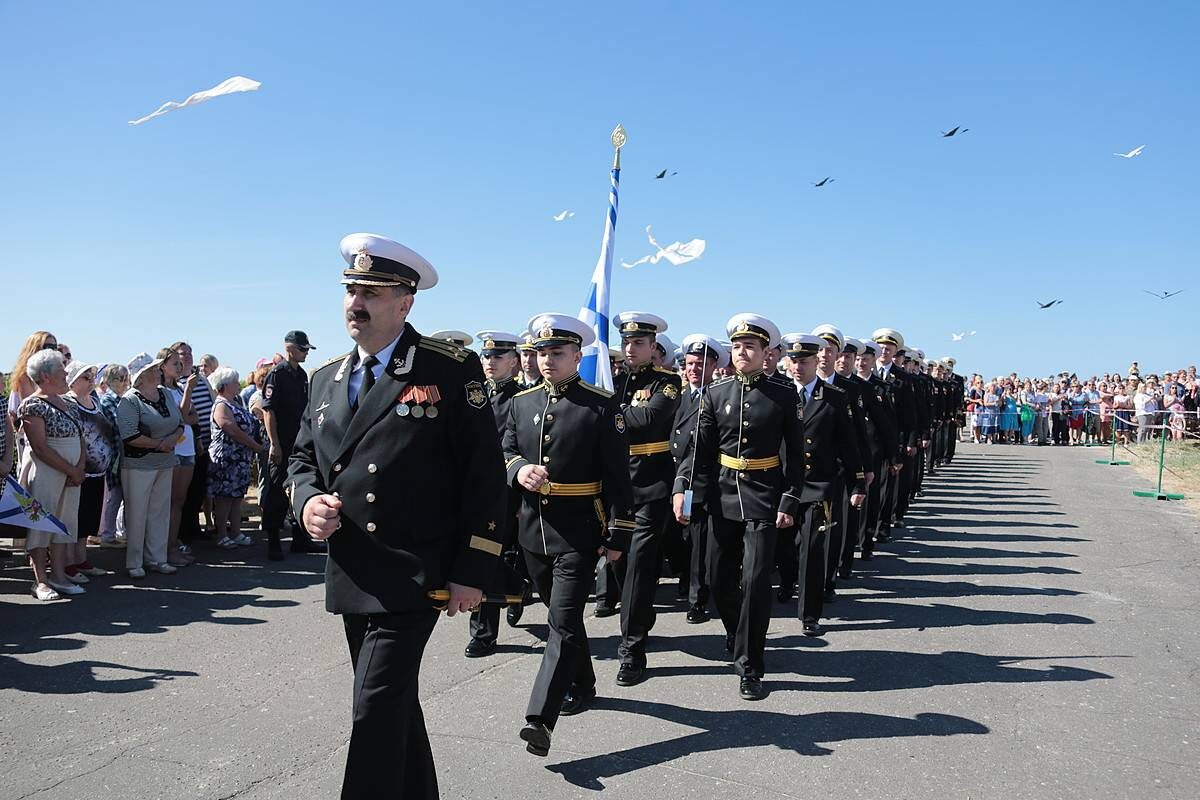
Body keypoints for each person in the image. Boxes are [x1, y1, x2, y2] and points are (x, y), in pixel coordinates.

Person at [288, 232, 506, 798]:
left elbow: (483, 477)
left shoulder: (449, 369)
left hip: (417, 570)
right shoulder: (325, 378)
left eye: (372, 292)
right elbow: (302, 459)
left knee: (373, 709)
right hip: (354, 568)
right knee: (393, 705)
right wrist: (307, 500)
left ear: (405, 303)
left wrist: (473, 570)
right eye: (351, 290)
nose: (356, 303)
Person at [502, 312, 635, 755]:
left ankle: (540, 718)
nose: (547, 361)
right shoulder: (521, 402)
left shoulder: (600, 405)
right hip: (533, 532)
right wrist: (519, 470)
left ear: (578, 356)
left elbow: (619, 475)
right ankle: (585, 681)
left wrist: (618, 533)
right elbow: (504, 449)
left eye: (557, 353)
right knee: (567, 619)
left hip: (579, 531)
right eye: (541, 353)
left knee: (560, 621)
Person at [673, 313, 806, 701]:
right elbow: (699, 452)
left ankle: (751, 664)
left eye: (751, 346)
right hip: (721, 494)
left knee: (756, 579)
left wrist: (789, 499)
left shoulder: (783, 394)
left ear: (766, 353)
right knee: (717, 576)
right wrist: (685, 489)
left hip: (765, 495)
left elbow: (796, 456)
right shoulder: (717, 393)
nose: (742, 352)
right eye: (737, 346)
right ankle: (735, 631)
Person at [601, 311, 681, 687]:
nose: (630, 349)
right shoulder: (611, 381)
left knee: (639, 564)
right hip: (617, 483)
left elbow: (648, 420)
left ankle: (632, 649)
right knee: (618, 559)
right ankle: (638, 617)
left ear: (654, 348)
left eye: (638, 343)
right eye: (626, 342)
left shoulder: (668, 383)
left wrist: (605, 415)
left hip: (651, 484)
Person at [775, 331, 864, 635]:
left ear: (817, 361)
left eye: (805, 361)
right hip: (783, 484)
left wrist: (857, 482)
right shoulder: (779, 392)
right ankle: (787, 583)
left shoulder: (835, 398)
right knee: (785, 545)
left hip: (819, 484)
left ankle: (809, 613)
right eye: (794, 360)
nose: (798, 366)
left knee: (812, 550)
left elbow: (848, 444)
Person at [463, 330, 529, 657]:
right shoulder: (473, 393)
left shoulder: (521, 398)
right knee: (481, 555)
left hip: (505, 490)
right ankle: (483, 633)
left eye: (498, 356)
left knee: (508, 555)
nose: (490, 362)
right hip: (474, 490)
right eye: (486, 356)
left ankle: (515, 592)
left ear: (514, 362)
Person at [17, 349, 86, 600]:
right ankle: (41, 581)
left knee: (64, 524)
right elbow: (41, 448)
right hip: (47, 473)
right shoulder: (32, 404)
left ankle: (58, 575)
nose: (66, 373)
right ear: (46, 376)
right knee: (41, 525)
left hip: (72, 474)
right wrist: (70, 470)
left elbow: (80, 437)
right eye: (61, 370)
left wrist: (79, 468)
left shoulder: (68, 402)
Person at [668, 334, 727, 624]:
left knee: (701, 544)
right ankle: (686, 584)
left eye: (701, 364)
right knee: (683, 540)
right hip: (676, 475)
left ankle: (698, 599)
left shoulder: (718, 395)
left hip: (703, 479)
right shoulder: (676, 396)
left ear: (714, 365)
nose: (693, 369)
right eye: (689, 363)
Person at [117, 355, 183, 578]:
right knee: (137, 513)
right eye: (154, 369)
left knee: (159, 512)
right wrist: (160, 444)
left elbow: (180, 422)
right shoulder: (130, 400)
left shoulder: (165, 393)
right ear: (143, 375)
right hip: (138, 465)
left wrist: (173, 439)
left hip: (165, 462)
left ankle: (157, 558)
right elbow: (129, 435)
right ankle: (134, 562)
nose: (159, 372)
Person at [262, 330, 317, 560]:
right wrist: (274, 443)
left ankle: (300, 539)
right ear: (290, 349)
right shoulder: (277, 374)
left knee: (298, 486)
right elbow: (268, 410)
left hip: (298, 442)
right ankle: (273, 541)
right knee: (276, 490)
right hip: (281, 441)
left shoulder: (301, 375)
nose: (305, 353)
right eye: (302, 349)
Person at [65, 362, 114, 579]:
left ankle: (81, 559)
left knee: (88, 518)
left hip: (98, 471)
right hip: (80, 469)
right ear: (72, 381)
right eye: (85, 377)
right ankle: (68, 563)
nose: (90, 380)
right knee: (74, 518)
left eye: (91, 376)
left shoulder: (94, 401)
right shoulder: (69, 402)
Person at [207, 367, 264, 549]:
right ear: (224, 385)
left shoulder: (235, 402)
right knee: (224, 498)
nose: (236, 385)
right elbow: (231, 429)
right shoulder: (221, 405)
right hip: (227, 459)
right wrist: (255, 446)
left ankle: (236, 532)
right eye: (233, 382)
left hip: (240, 459)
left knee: (237, 497)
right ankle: (222, 534)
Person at [157, 346, 197, 567]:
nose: (180, 366)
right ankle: (164, 549)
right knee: (168, 502)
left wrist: (185, 416)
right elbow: (181, 416)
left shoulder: (180, 388)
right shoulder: (161, 390)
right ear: (162, 366)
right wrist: (189, 392)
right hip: (173, 451)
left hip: (187, 448)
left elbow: (194, 416)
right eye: (175, 363)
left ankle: (172, 545)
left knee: (179, 502)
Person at [95, 364, 130, 548]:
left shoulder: (122, 399)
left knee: (124, 495)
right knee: (115, 495)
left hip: (124, 455)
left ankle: (120, 533)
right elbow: (119, 425)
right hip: (115, 456)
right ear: (110, 381)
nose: (125, 382)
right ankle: (108, 536)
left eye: (126, 378)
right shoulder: (108, 400)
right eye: (121, 378)